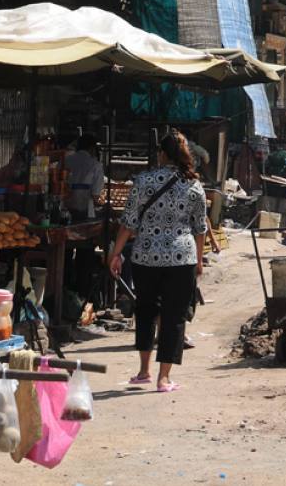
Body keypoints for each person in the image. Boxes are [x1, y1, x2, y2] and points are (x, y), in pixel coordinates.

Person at [108, 132, 207, 394]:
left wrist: (115, 253)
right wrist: (198, 260)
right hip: (181, 258)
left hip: (145, 257)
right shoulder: (194, 185)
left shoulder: (143, 181)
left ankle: (143, 371)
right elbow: (200, 228)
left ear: (162, 154)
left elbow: (128, 222)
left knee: (146, 311)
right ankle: (164, 379)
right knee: (174, 316)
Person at [65, 133, 105, 220]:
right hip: (86, 210)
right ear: (92, 148)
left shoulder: (66, 160)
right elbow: (95, 195)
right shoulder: (96, 165)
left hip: (65, 208)